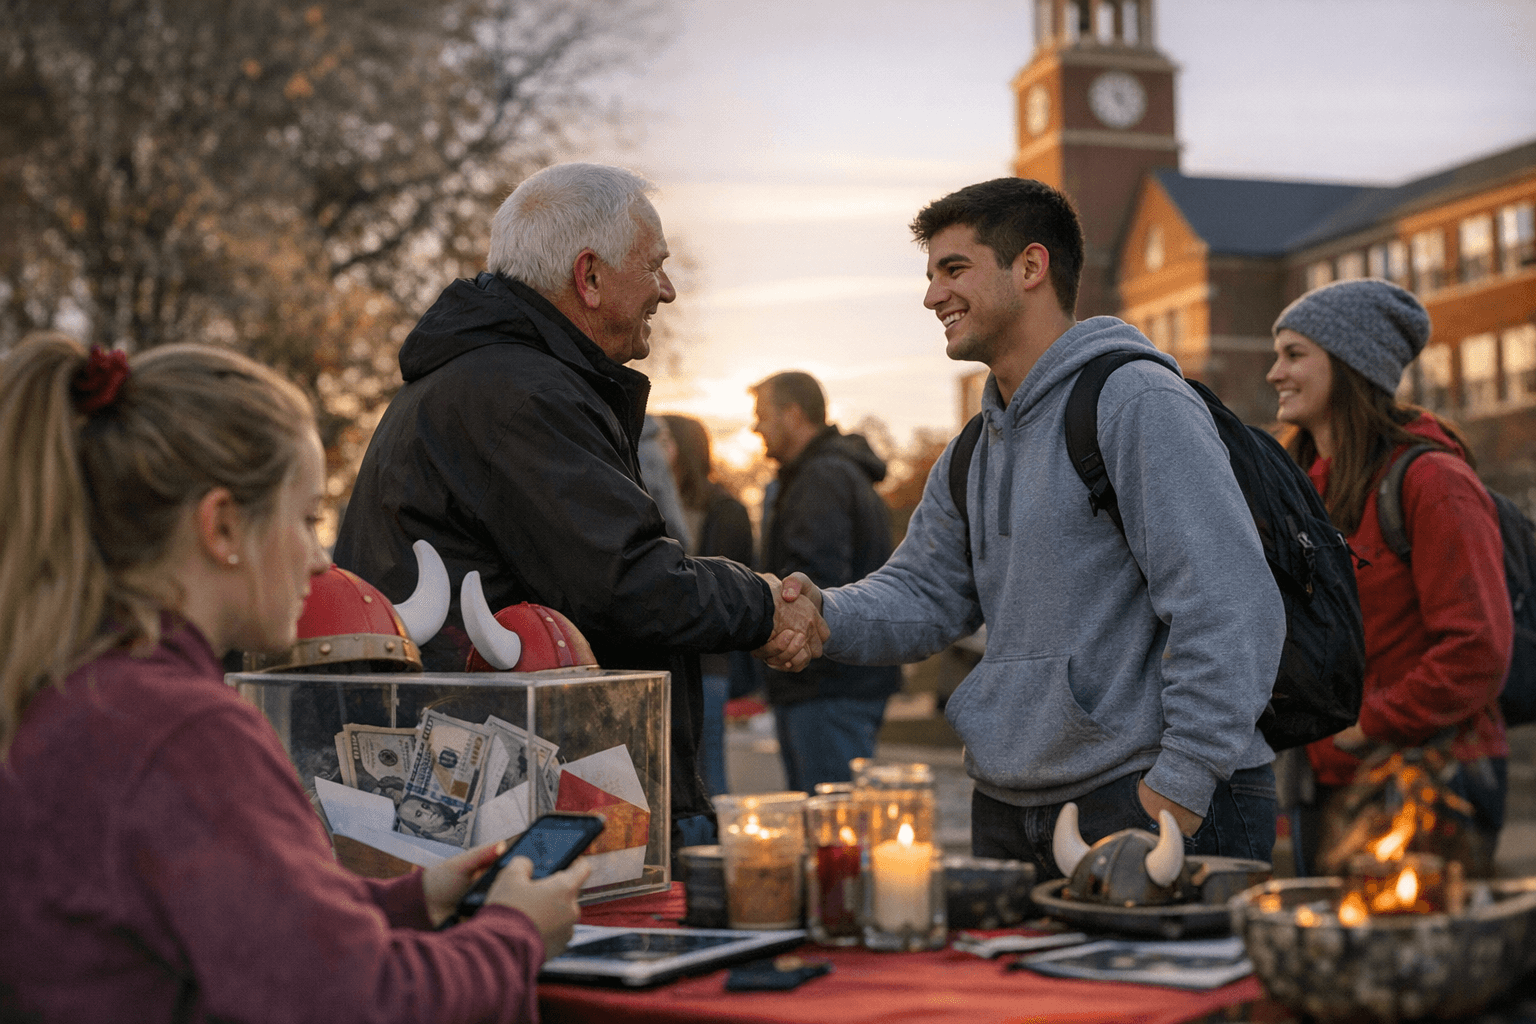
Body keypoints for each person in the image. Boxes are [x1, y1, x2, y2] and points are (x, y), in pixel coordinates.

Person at [0, 333, 587, 1023]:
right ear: (222, 527)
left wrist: (409, 900)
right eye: (307, 519)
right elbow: (355, 1001)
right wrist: (515, 933)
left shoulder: (71, 690)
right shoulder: (186, 732)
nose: (317, 560)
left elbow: (231, 924)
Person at [776, 177, 1285, 878]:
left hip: (1148, 805)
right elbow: (924, 594)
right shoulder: (970, 452)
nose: (931, 296)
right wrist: (824, 614)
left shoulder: (1135, 401)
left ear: (1031, 267)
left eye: (954, 269)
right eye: (930, 276)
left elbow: (1229, 605)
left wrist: (1176, 794)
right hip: (1011, 809)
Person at [332, 163, 825, 849]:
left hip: (488, 796)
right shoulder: (521, 394)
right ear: (589, 277)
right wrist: (765, 602)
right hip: (535, 814)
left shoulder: (487, 380)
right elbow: (622, 583)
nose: (668, 290)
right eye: (654, 267)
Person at [1265, 279, 1512, 875]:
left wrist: (1369, 725)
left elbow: (1478, 648)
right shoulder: (1297, 487)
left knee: (1406, 963)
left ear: (1350, 365)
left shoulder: (1432, 483)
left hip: (1425, 779)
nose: (1275, 373)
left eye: (1295, 354)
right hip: (1316, 781)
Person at [749, 372, 903, 792]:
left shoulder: (821, 479)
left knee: (830, 828)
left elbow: (812, 581)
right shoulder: (827, 474)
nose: (755, 427)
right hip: (836, 682)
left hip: (826, 685)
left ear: (793, 415)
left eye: (763, 415)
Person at [663, 413, 760, 795]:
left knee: (707, 772)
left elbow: (729, 586)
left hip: (706, 665)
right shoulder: (643, 501)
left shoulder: (725, 510)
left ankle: (713, 849)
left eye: (664, 441)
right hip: (661, 660)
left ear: (685, 448)